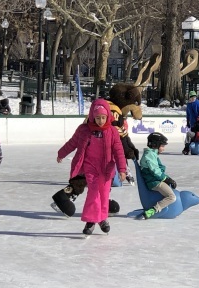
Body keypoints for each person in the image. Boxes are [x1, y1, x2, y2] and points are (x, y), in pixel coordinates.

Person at [56, 99, 127, 235]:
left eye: (103, 118)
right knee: (93, 192)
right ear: (92, 116)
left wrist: (122, 169)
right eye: (97, 118)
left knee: (104, 194)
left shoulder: (112, 131)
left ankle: (102, 218)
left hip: (106, 168)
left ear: (108, 117)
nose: (100, 121)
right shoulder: (84, 130)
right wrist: (61, 153)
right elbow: (72, 143)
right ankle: (90, 221)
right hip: (90, 166)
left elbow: (119, 151)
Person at [139, 132, 177, 219]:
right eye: (162, 146)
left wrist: (167, 178)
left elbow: (157, 170)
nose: (163, 149)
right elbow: (155, 171)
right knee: (172, 197)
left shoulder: (152, 154)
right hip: (154, 182)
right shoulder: (150, 155)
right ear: (156, 145)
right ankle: (153, 210)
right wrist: (166, 179)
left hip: (155, 180)